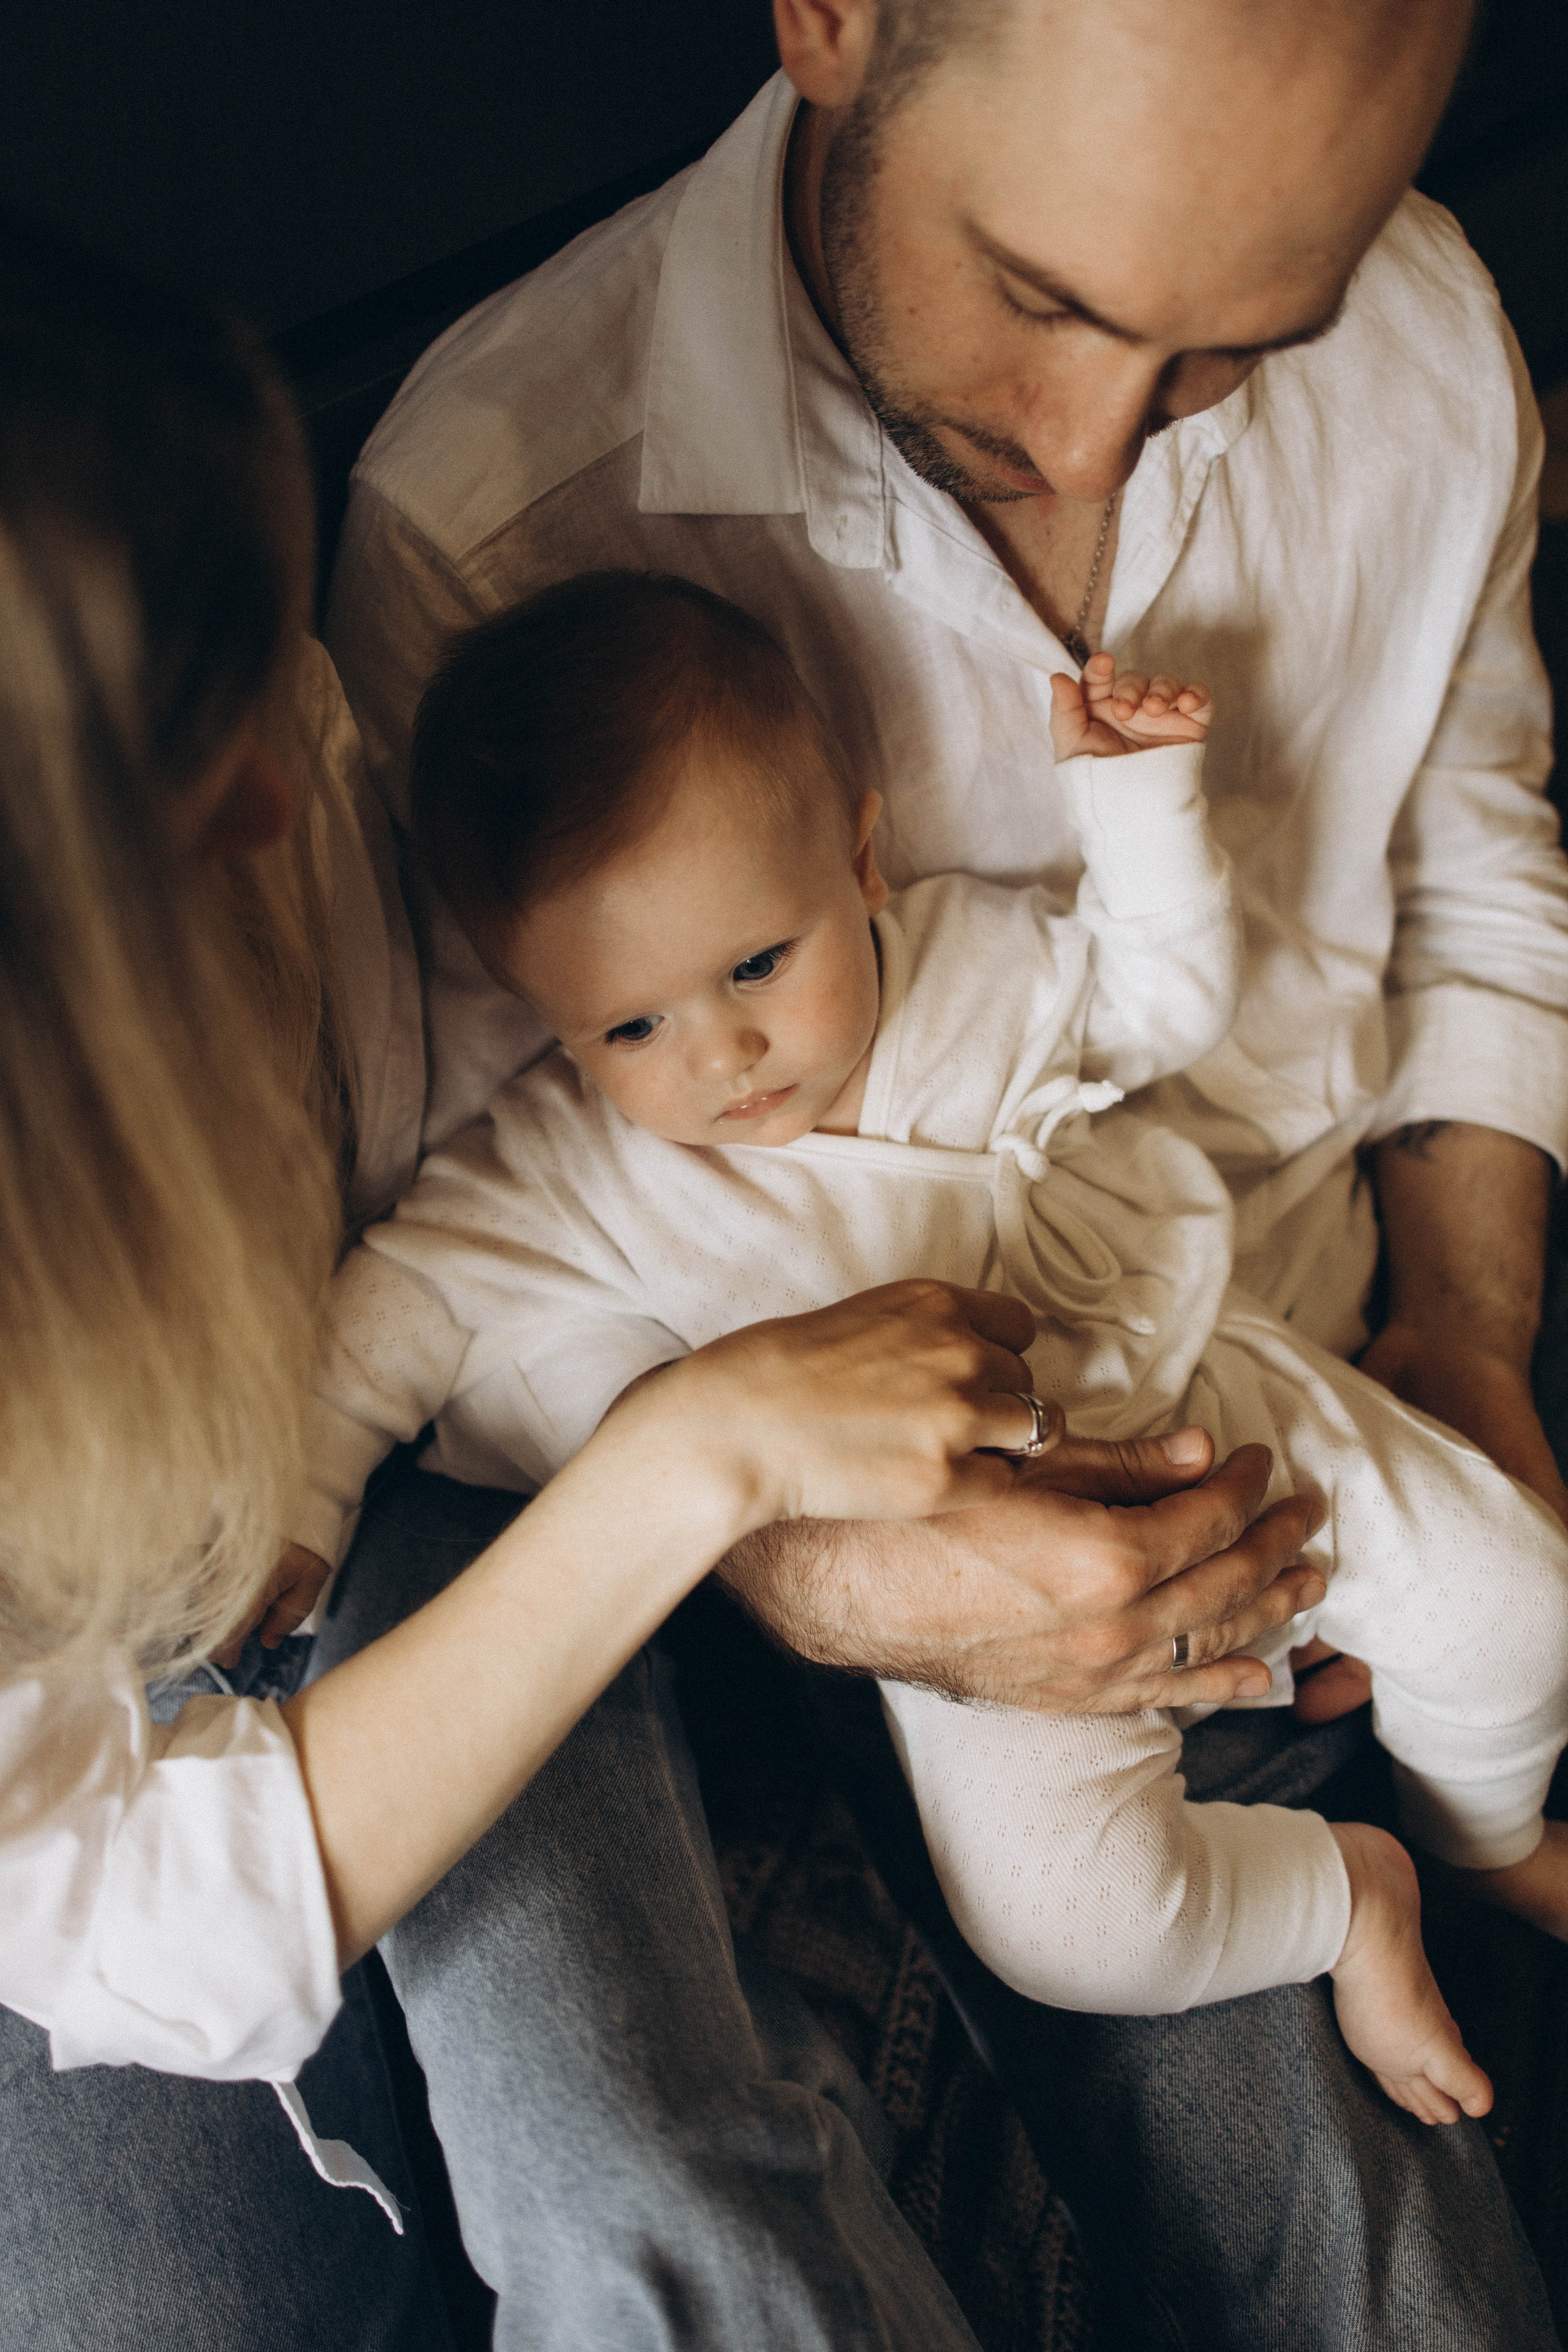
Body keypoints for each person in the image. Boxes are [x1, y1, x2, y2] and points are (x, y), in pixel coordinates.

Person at [318, 0, 1568, 2339]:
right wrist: (833, 1568)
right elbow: (503, 1254)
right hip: (788, 1569)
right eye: (1053, 297)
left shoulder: (1423, 340)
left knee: (1403, 2269)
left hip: (1283, 1400)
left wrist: (1472, 1328)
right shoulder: (492, 514)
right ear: (834, 20)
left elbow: (1482, 858)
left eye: (1225, 355)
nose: (1093, 438)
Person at [0, 223, 1317, 2351]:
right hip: (142, 1714)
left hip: (394, 1491)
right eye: (185, 782)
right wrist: (695, 1458)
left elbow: (518, 1205)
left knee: (659, 2205)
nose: (289, 789)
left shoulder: (314, 756)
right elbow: (138, 1920)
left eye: (266, 687)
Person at [291, 567, 1567, 2132]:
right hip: (964, 1597)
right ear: (543, 1017)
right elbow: (396, 1313)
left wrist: (1140, 814)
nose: (723, 1054)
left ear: (859, 854)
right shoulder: (557, 1172)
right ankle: (1347, 1896)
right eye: (630, 1029)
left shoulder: (970, 967)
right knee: (1071, 1930)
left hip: (1188, 1404)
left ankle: (1478, 1831)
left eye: (756, 963)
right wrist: (297, 1501)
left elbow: (1159, 1001)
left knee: (1518, 1598)